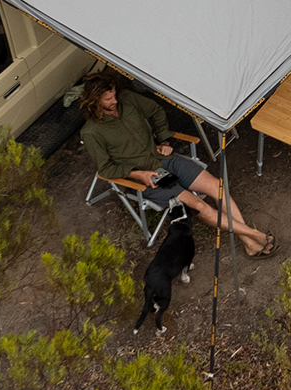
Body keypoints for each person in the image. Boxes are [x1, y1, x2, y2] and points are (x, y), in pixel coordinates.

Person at [79, 73, 277, 257]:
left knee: (217, 187)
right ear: (94, 101)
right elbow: (105, 169)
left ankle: (247, 241)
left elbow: (156, 111)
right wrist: (138, 175)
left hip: (164, 159)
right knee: (199, 205)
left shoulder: (128, 99)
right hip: (151, 177)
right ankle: (255, 235)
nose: (114, 101)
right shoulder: (92, 132)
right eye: (108, 99)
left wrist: (164, 140)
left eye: (114, 96)